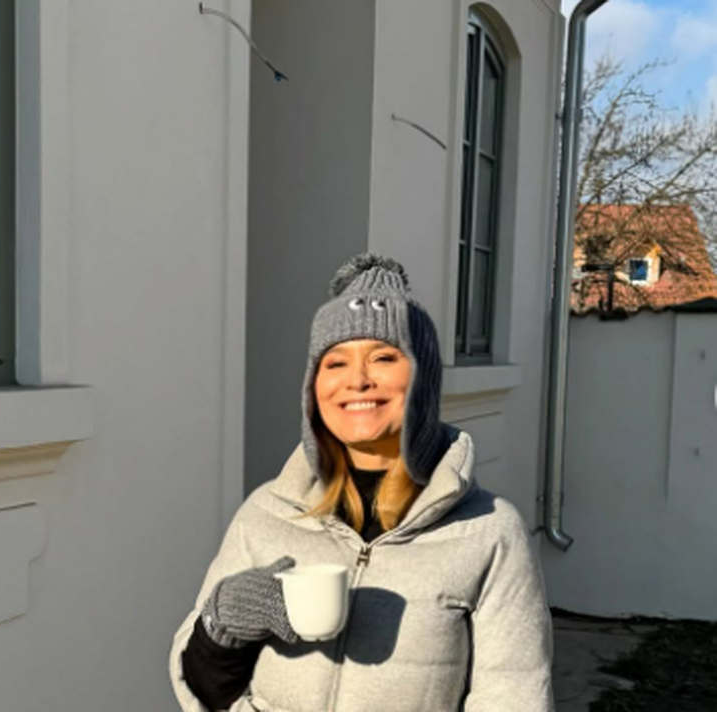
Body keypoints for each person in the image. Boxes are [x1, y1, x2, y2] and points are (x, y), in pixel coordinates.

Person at [168, 254, 553, 711]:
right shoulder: (264, 515)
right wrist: (220, 627)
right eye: (335, 363)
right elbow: (206, 689)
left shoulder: (489, 533)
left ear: (424, 380)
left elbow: (513, 696)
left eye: (384, 357)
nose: (357, 380)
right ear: (314, 388)